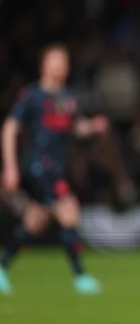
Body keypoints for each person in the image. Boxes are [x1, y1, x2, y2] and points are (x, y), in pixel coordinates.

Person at [0, 43, 108, 295]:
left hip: (56, 168)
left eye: (63, 60)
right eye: (54, 60)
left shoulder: (67, 98)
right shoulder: (33, 95)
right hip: (39, 166)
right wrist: (10, 167)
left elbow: (74, 127)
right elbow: (9, 128)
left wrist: (92, 127)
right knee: (69, 210)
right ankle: (80, 276)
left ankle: (2, 266)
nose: (59, 65)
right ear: (43, 65)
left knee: (35, 220)